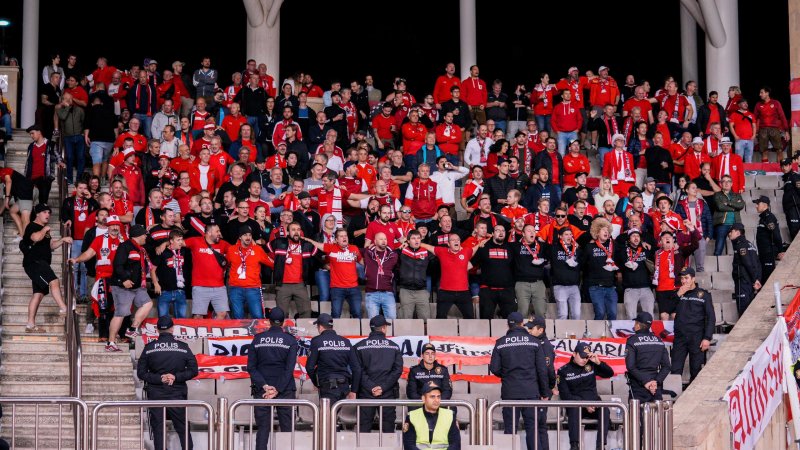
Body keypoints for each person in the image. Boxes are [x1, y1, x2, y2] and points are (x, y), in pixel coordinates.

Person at [489, 312, 551, 450]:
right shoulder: (534, 342)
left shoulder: (500, 343)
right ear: (522, 324)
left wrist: (507, 375)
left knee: (510, 431)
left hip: (510, 392)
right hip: (531, 392)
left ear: (508, 325)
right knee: (532, 430)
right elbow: (542, 370)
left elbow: (494, 368)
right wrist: (544, 392)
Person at [136, 316, 198, 450]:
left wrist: (159, 378)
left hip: (156, 394)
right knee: (183, 428)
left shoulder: (149, 347)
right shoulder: (183, 347)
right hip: (177, 393)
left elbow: (141, 373)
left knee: (158, 429)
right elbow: (194, 370)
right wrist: (175, 377)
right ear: (172, 328)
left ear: (157, 330)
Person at [247, 307, 298, 449]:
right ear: (283, 323)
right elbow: (289, 369)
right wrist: (278, 389)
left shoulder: (257, 339)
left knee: (263, 429)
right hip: (285, 389)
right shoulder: (290, 340)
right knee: (287, 430)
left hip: (262, 390)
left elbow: (251, 367)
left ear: (268, 322)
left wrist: (265, 386)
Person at [21, 204, 71, 333]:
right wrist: (44, 230)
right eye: (44, 212)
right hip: (35, 262)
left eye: (49, 212)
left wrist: (63, 240)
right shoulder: (32, 226)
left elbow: (52, 246)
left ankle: (30, 325)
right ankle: (63, 308)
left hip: (42, 263)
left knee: (38, 294)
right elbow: (35, 238)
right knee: (54, 281)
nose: (47, 214)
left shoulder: (45, 230)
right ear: (37, 213)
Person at [557, 342, 614, 450]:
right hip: (577, 406)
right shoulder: (563, 371)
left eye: (587, 357)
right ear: (574, 354)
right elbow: (565, 396)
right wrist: (584, 404)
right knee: (574, 408)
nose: (585, 359)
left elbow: (609, 373)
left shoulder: (591, 365)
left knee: (605, 409)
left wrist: (598, 362)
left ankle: (601, 446)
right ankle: (574, 445)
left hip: (593, 404)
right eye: (582, 356)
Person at [354, 315, 403, 433]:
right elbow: (397, 370)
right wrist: (383, 387)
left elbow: (357, 370)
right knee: (388, 430)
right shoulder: (394, 346)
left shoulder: (359, 347)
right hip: (387, 393)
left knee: (363, 431)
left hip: (366, 393)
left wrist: (371, 387)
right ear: (384, 328)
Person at [107, 225, 153, 352]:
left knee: (148, 304)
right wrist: (123, 279)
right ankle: (110, 342)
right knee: (120, 313)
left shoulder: (141, 249)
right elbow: (117, 265)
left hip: (137, 286)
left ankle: (132, 329)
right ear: (138, 235)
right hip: (123, 286)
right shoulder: (125, 246)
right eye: (144, 234)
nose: (146, 236)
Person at [303, 229, 364, 318]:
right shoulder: (331, 248)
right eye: (341, 236)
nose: (344, 238)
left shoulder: (354, 248)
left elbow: (361, 261)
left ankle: (357, 332)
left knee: (357, 314)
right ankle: (333, 332)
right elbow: (316, 244)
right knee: (335, 314)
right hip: (337, 288)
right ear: (336, 240)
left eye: (345, 236)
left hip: (353, 287)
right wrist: (307, 239)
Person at [670, 267, 714, 383]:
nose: (684, 281)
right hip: (680, 338)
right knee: (675, 369)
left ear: (693, 278)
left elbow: (711, 318)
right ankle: (675, 398)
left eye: (686, 278)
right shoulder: (677, 294)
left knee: (696, 370)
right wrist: (679, 294)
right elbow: (668, 308)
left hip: (697, 338)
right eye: (682, 278)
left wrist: (707, 338)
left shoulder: (703, 295)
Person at [306, 313, 361, 403]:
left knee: (326, 416)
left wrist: (316, 383)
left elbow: (309, 367)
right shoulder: (345, 342)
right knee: (334, 415)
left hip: (327, 386)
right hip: (344, 387)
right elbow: (357, 368)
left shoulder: (317, 341)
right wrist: (354, 390)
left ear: (320, 327)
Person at [184, 223, 231, 319]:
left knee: (222, 314)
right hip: (200, 286)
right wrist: (164, 243)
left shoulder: (223, 244)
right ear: (209, 233)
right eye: (217, 231)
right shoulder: (195, 241)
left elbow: (236, 250)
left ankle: (215, 333)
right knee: (198, 316)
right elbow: (178, 242)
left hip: (219, 286)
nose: (219, 233)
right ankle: (200, 334)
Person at [225, 226, 272, 319]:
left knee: (258, 316)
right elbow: (225, 265)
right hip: (235, 288)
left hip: (253, 288)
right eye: (245, 235)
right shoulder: (231, 250)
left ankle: (260, 334)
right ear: (240, 237)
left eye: (250, 235)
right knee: (237, 317)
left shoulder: (257, 249)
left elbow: (271, 263)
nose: (248, 237)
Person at [625, 312, 671, 403]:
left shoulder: (632, 340)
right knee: (657, 416)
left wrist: (646, 382)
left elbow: (630, 366)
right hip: (655, 387)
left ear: (638, 325)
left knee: (637, 416)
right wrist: (655, 382)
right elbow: (667, 366)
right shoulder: (659, 340)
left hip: (638, 386)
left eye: (635, 323)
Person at [472, 224, 516, 319]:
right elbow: (470, 265)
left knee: (511, 320)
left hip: (507, 290)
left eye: (503, 231)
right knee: (485, 321)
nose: (500, 232)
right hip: (487, 290)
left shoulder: (511, 248)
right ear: (492, 233)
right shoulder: (483, 247)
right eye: (497, 230)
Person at [402, 381, 461, 450]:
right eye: (432, 397)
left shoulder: (450, 416)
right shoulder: (412, 416)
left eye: (438, 397)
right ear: (423, 399)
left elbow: (455, 445)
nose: (436, 400)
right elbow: (409, 445)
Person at [582, 218, 619, 320]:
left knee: (613, 313)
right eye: (603, 230)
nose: (606, 232)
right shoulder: (589, 247)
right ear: (597, 232)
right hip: (595, 286)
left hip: (610, 287)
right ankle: (597, 335)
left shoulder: (613, 246)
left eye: (607, 230)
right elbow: (582, 264)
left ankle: (611, 335)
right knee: (600, 313)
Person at [615, 229, 655, 319]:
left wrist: (650, 246)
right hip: (630, 289)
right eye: (633, 236)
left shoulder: (646, 249)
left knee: (649, 316)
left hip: (646, 288)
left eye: (637, 236)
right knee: (631, 316)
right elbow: (614, 253)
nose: (636, 238)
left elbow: (658, 252)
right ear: (629, 240)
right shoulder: (623, 251)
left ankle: (648, 333)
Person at [150, 230, 190, 318]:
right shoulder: (162, 252)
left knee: (181, 320)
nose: (181, 242)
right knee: (163, 320)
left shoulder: (184, 251)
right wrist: (156, 284)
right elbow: (152, 269)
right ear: (171, 241)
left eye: (181, 240)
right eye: (178, 240)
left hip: (180, 290)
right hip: (164, 291)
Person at [362, 232, 400, 319]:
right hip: (371, 294)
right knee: (374, 322)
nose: (384, 241)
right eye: (381, 239)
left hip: (387, 293)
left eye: (385, 239)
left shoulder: (393, 255)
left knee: (392, 321)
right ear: (375, 241)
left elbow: (397, 270)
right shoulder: (367, 253)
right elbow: (354, 251)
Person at [25, 125, 64, 205]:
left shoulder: (51, 144)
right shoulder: (31, 146)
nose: (31, 136)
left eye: (32, 133)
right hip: (31, 179)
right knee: (30, 204)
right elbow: (28, 163)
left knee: (43, 203)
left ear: (39, 132)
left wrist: (60, 162)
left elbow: (57, 156)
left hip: (45, 179)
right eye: (30, 134)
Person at [729, 223, 762, 315]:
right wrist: (757, 279)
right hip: (750, 283)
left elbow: (747, 263)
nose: (729, 234)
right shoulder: (750, 244)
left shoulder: (740, 245)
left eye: (731, 231)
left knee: (743, 311)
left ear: (738, 232)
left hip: (743, 282)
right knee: (750, 311)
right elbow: (758, 264)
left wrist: (755, 279)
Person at [753, 196, 784, 282]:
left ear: (765, 205)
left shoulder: (769, 217)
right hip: (764, 253)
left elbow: (776, 234)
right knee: (763, 277)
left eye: (758, 204)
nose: (756, 206)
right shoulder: (763, 217)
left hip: (768, 253)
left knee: (768, 278)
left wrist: (780, 250)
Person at [712, 175, 745, 255]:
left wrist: (728, 203)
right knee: (718, 248)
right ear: (721, 184)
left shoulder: (737, 195)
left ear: (731, 184)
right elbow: (720, 207)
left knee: (741, 247)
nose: (726, 183)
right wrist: (734, 208)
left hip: (736, 223)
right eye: (724, 181)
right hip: (722, 224)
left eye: (728, 181)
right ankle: (717, 264)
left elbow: (741, 205)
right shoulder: (717, 195)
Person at [0, 166, 34, 237]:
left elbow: (9, 181)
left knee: (25, 219)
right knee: (12, 211)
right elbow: (7, 199)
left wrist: (6, 198)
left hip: (26, 193)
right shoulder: (8, 182)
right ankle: (22, 235)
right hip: (23, 195)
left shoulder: (4, 171)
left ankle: (26, 241)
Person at [781, 157, 800, 240]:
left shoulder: (795, 176)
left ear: (790, 166)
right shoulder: (786, 178)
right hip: (788, 208)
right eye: (782, 166)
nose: (784, 168)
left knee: (795, 229)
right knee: (792, 229)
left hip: (795, 208)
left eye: (786, 165)